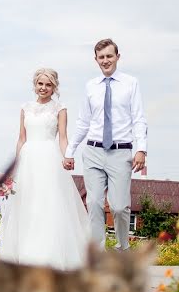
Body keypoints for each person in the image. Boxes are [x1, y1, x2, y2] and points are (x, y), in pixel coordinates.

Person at [0, 68, 92, 270]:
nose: (44, 88)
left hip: (50, 159)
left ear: (54, 87)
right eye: (40, 84)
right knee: (26, 204)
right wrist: (14, 167)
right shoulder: (25, 108)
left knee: (48, 204)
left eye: (48, 85)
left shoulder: (60, 108)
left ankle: (48, 255)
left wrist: (68, 156)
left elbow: (63, 138)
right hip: (28, 160)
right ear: (35, 85)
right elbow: (21, 138)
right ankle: (24, 254)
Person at [63, 39, 147, 250]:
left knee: (119, 207)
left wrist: (141, 149)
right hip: (93, 151)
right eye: (101, 57)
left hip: (120, 152)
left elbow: (139, 119)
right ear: (96, 60)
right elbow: (83, 122)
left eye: (109, 56)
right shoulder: (90, 86)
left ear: (118, 57)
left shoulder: (131, 83)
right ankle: (97, 256)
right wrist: (69, 151)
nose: (105, 60)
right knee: (94, 203)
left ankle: (122, 249)